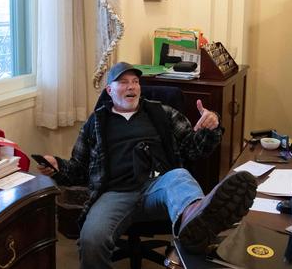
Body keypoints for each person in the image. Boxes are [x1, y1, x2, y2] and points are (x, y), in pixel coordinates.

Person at [36, 62, 257, 268]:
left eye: (135, 82)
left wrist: (211, 127)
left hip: (158, 187)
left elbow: (194, 148)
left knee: (179, 175)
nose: (131, 86)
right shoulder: (95, 123)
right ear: (109, 91)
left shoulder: (161, 112)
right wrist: (57, 166)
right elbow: (78, 168)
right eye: (123, 82)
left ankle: (195, 220)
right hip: (114, 193)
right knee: (91, 240)